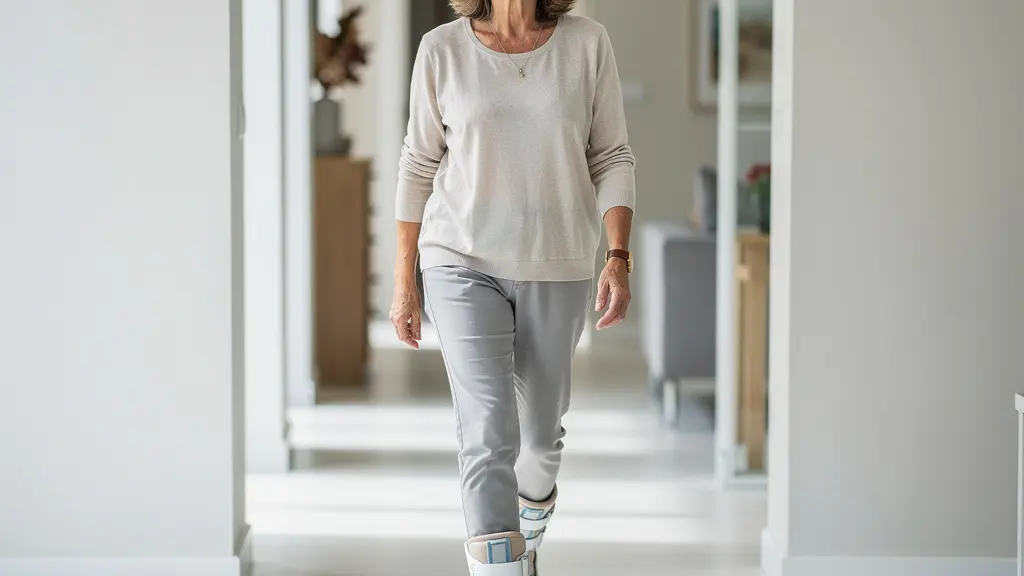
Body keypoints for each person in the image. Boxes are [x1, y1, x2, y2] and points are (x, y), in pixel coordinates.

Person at [389, 0, 634, 573]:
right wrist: (405, 281)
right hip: (459, 258)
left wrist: (618, 256)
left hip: (558, 259)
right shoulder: (442, 50)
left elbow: (612, 154)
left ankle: (524, 535)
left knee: (541, 438)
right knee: (487, 428)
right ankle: (500, 563)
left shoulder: (586, 44)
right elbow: (417, 164)